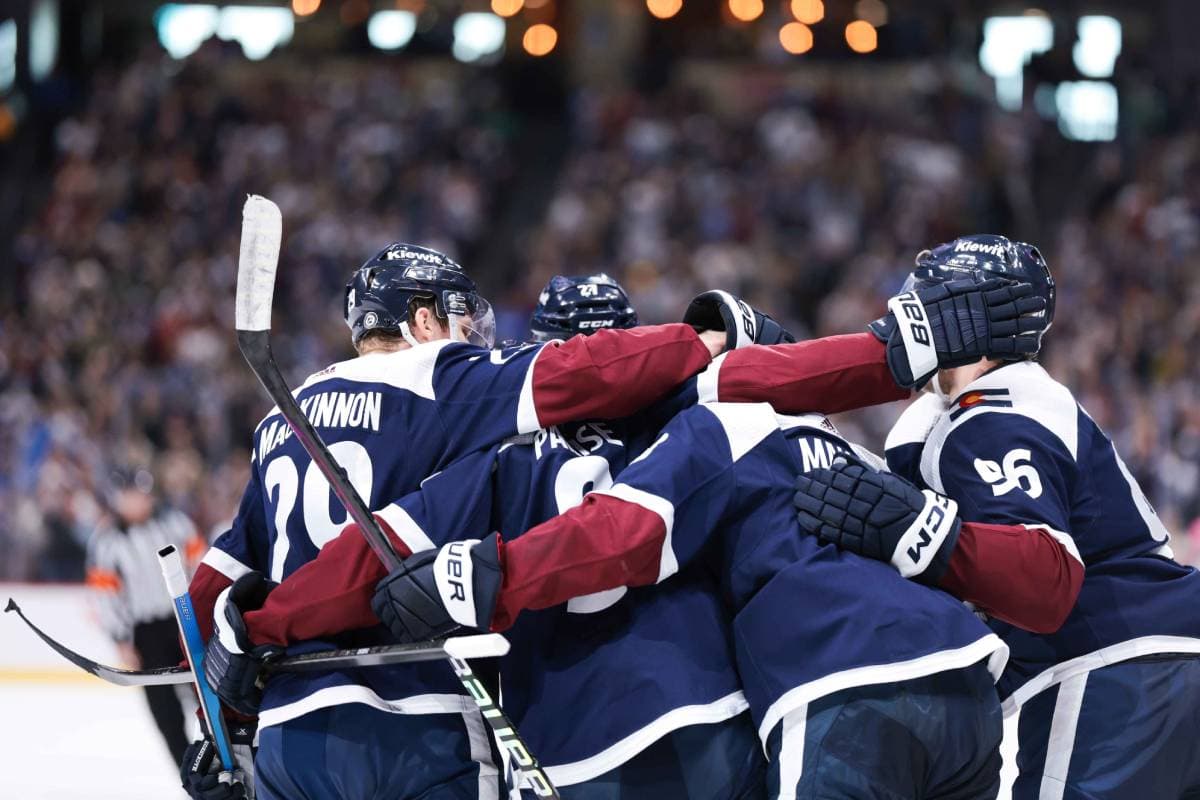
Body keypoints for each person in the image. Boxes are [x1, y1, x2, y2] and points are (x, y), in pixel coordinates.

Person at [206, 274, 1048, 798]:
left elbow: (374, 553)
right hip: (751, 718)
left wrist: (258, 632)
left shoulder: (499, 450)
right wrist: (898, 352)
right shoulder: (718, 411)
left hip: (571, 745)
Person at [180, 244, 747, 800]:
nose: (470, 335)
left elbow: (222, 574)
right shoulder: (441, 377)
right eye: (457, 315)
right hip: (424, 711)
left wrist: (215, 711)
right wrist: (706, 341)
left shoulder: (283, 417)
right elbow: (584, 371)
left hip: (292, 726)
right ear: (421, 318)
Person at [793, 234, 1200, 800]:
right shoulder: (1012, 404)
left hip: (1114, 667)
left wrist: (914, 527)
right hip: (1168, 652)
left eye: (929, 296)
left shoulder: (989, 415)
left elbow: (1044, 576)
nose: (908, 309)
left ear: (964, 315)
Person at [86, 465, 204, 767]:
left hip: (184, 623)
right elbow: (106, 596)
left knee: (205, 696)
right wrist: (121, 639)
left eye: (142, 493)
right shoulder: (107, 540)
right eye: (131, 494)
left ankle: (224, 761)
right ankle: (188, 775)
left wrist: (204, 612)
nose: (138, 500)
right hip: (145, 635)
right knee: (165, 713)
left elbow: (201, 565)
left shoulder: (176, 523)